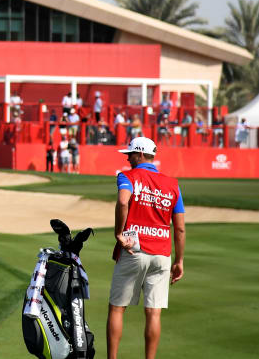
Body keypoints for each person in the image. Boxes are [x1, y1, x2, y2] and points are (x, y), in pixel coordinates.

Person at [107, 137, 185, 359]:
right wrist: (179, 260)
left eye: (130, 154)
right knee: (153, 313)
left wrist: (118, 233)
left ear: (140, 155)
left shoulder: (127, 176)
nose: (128, 158)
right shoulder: (173, 184)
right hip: (162, 253)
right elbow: (179, 229)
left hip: (134, 249)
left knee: (117, 308)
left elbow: (123, 202)